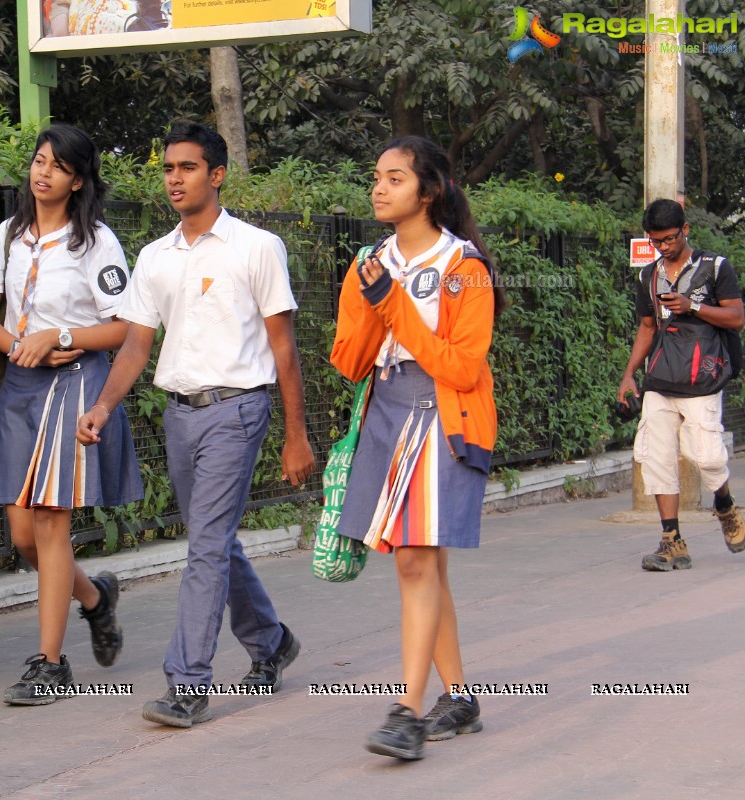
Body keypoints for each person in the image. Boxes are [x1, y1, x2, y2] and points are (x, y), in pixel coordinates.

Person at [77, 121, 314, 728]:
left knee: (204, 546)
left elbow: (283, 349)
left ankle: (187, 683)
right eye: (167, 168)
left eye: (186, 167)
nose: (174, 179)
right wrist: (103, 406)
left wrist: (295, 434)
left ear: (216, 174)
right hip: (179, 415)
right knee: (217, 540)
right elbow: (134, 347)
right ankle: (270, 642)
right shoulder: (156, 256)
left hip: (238, 410)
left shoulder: (256, 247)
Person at [330, 135, 505, 760]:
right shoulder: (368, 263)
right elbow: (348, 361)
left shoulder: (465, 269)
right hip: (386, 413)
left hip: (443, 416)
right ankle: (458, 699)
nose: (379, 188)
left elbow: (461, 367)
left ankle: (405, 711)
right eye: (377, 176)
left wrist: (394, 307)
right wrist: (376, 306)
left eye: (395, 178)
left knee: (413, 562)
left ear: (429, 192)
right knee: (425, 566)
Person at [0, 124, 142, 705]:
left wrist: (61, 334)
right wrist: (19, 346)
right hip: (21, 387)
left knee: (49, 523)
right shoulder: (7, 235)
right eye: (38, 161)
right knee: (23, 534)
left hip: (74, 384)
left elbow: (123, 325)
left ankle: (49, 662)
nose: (42, 172)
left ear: (77, 180)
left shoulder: (95, 241)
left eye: (57, 165)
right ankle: (94, 599)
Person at [617, 198, 745, 571]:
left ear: (685, 230)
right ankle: (671, 541)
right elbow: (646, 327)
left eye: (670, 239)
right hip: (659, 379)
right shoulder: (649, 276)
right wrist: (629, 375)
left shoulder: (716, 267)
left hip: (702, 379)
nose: (664, 247)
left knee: (706, 456)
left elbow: (736, 318)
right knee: (655, 459)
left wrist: (693, 306)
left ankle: (724, 504)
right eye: (657, 241)